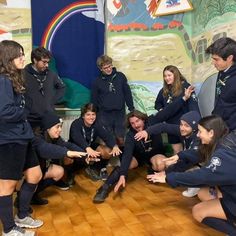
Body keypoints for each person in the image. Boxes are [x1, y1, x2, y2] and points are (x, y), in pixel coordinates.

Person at [92, 85, 195, 203]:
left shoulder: (152, 121)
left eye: (137, 121)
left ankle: (152, 169)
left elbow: (168, 111)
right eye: (132, 123)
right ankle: (104, 188)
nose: (135, 125)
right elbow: (127, 155)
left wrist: (184, 98)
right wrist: (122, 175)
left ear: (143, 119)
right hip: (139, 157)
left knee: (161, 164)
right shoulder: (131, 135)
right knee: (126, 165)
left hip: (155, 153)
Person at [147, 115, 236, 235]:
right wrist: (180, 155)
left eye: (200, 131)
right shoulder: (225, 141)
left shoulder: (223, 154)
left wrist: (169, 177)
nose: (197, 135)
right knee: (203, 193)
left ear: (211, 133)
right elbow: (199, 153)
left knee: (198, 211)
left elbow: (202, 176)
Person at [0, 40, 43, 236]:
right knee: (6, 185)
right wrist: (24, 112)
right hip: (9, 140)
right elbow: (5, 112)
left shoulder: (15, 78)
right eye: (19, 55)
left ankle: (22, 215)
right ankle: (9, 229)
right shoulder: (3, 80)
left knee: (35, 175)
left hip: (22, 136)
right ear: (8, 58)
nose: (23, 58)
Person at [134, 110, 201, 197]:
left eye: (186, 126)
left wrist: (166, 173)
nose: (182, 128)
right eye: (181, 124)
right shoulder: (184, 131)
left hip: (204, 165)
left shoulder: (198, 139)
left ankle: (197, 185)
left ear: (195, 127)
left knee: (186, 166)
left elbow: (187, 162)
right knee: (174, 163)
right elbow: (163, 127)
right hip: (191, 159)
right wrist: (147, 132)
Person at [31, 111, 87, 205]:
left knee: (59, 171)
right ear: (48, 128)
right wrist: (67, 153)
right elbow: (45, 149)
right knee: (35, 177)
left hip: (43, 169)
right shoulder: (37, 139)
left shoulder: (54, 137)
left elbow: (66, 145)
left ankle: (34, 195)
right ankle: (22, 200)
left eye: (60, 126)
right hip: (29, 173)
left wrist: (85, 155)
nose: (60, 129)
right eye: (57, 127)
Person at [69, 103, 122, 181]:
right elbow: (77, 138)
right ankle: (70, 174)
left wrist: (115, 146)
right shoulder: (76, 124)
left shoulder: (97, 124)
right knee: (67, 159)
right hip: (76, 147)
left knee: (108, 151)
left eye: (93, 114)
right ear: (83, 116)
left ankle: (97, 168)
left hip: (90, 145)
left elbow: (107, 136)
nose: (91, 117)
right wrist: (87, 148)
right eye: (88, 114)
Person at [91, 55, 134, 147]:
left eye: (109, 66)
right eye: (105, 68)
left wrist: (131, 108)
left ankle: (123, 161)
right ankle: (108, 161)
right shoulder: (97, 82)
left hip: (120, 113)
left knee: (121, 140)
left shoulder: (120, 77)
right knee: (107, 141)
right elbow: (94, 99)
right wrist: (94, 114)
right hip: (104, 115)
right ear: (100, 69)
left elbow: (127, 93)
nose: (108, 69)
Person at [154, 65, 199, 154]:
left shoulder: (186, 87)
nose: (167, 78)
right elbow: (157, 103)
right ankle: (177, 167)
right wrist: (161, 110)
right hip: (170, 125)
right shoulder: (164, 90)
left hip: (184, 126)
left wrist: (195, 125)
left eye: (169, 75)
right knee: (176, 151)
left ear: (176, 75)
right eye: (165, 76)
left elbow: (194, 108)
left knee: (187, 151)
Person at [23, 46, 65, 130]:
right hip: (30, 119)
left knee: (49, 142)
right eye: (44, 62)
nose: (47, 65)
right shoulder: (23, 74)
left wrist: (52, 100)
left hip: (48, 117)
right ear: (35, 60)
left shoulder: (51, 74)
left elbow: (62, 87)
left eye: (48, 62)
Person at [205, 37, 236, 131]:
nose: (213, 63)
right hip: (219, 127)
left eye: (216, 59)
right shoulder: (222, 72)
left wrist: (227, 130)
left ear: (230, 58)